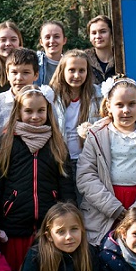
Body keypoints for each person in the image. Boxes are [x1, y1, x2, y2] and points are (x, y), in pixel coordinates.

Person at [0, 86, 75, 271]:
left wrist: (69, 212)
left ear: (48, 111)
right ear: (18, 112)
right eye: (28, 111)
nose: (35, 116)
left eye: (41, 110)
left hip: (48, 226)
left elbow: (66, 184)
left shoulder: (57, 144)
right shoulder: (7, 142)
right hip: (14, 225)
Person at [77, 78, 136, 247]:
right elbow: (86, 175)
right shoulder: (96, 136)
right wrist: (114, 209)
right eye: (119, 105)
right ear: (109, 107)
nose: (126, 110)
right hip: (105, 207)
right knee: (104, 258)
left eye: (131, 104)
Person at [49, 50, 102, 184]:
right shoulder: (51, 96)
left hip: (88, 161)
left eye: (81, 70)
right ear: (62, 71)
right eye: (71, 70)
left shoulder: (98, 96)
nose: (77, 75)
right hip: (59, 160)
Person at [19, 202, 94, 271]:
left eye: (74, 229)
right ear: (49, 236)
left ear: (82, 230)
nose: (69, 237)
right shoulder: (36, 255)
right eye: (61, 231)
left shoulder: (89, 252)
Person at [0, 47, 53, 145]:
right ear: (7, 74)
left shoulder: (44, 100)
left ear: (36, 75)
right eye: (14, 72)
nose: (19, 78)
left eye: (26, 73)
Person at [84, 15, 115, 84]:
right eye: (94, 33)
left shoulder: (123, 58)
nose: (98, 36)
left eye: (103, 31)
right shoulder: (83, 59)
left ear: (112, 33)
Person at [36, 20, 67, 86]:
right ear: (41, 42)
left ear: (64, 40)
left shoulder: (71, 64)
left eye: (56, 37)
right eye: (47, 37)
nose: (52, 41)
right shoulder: (34, 63)